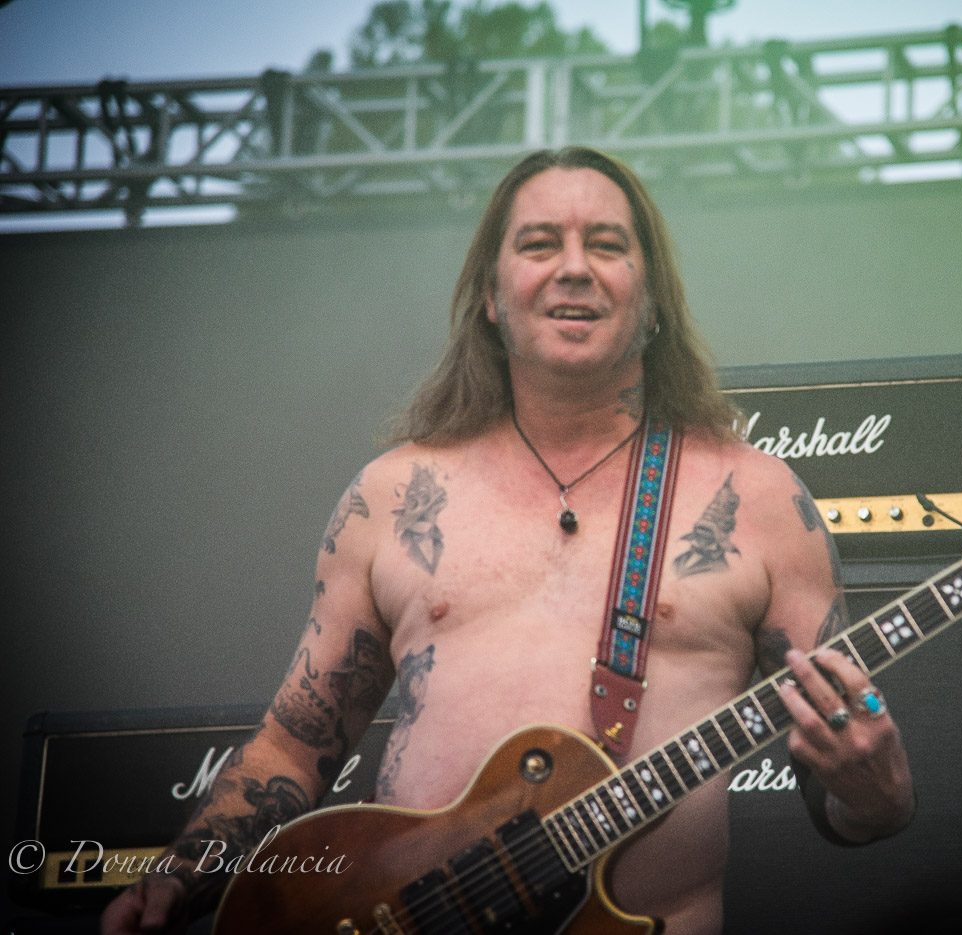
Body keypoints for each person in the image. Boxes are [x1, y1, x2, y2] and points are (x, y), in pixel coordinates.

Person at [102, 146, 915, 935]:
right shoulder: (392, 495)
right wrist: (178, 876)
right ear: (491, 295)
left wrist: (875, 792)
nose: (573, 266)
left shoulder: (760, 501)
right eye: (538, 244)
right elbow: (295, 744)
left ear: (654, 297)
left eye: (606, 244)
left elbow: (842, 788)